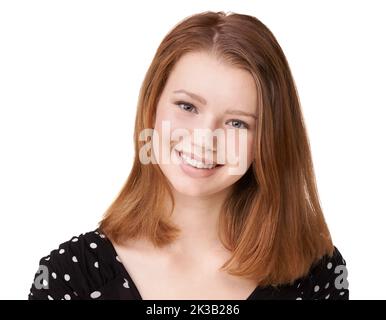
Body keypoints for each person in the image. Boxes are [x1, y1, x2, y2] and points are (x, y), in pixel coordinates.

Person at [28, 11, 349, 300]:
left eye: (237, 122)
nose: (205, 139)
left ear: (269, 138)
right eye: (187, 106)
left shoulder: (316, 275)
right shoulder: (71, 277)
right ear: (152, 106)